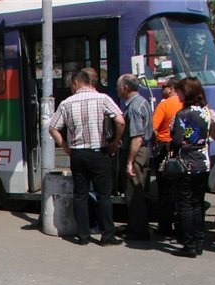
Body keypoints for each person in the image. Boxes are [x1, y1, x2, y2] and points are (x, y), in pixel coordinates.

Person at [49, 70, 125, 246]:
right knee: (103, 196)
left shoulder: (66, 103)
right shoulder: (103, 99)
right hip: (99, 151)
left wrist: (65, 147)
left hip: (78, 154)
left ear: (76, 83)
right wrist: (114, 141)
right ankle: (107, 235)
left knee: (80, 195)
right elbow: (120, 121)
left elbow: (53, 128)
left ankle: (83, 236)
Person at [169, 77, 215, 258]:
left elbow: (176, 140)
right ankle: (199, 242)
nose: (178, 94)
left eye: (180, 91)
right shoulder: (207, 112)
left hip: (185, 164)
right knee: (198, 204)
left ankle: (188, 244)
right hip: (203, 163)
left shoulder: (183, 114)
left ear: (187, 92)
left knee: (185, 205)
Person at [117, 74, 153, 241]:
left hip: (136, 151)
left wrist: (130, 162)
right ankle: (135, 226)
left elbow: (137, 137)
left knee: (134, 192)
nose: (117, 90)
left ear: (125, 88)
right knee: (135, 190)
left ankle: (139, 230)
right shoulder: (143, 102)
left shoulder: (134, 107)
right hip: (143, 150)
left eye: (118, 87)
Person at [152, 78, 183, 237]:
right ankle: (181, 225)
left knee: (164, 189)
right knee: (180, 189)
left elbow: (154, 128)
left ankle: (165, 226)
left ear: (171, 88)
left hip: (165, 147)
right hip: (183, 149)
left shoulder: (164, 104)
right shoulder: (187, 104)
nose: (162, 89)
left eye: (163, 86)